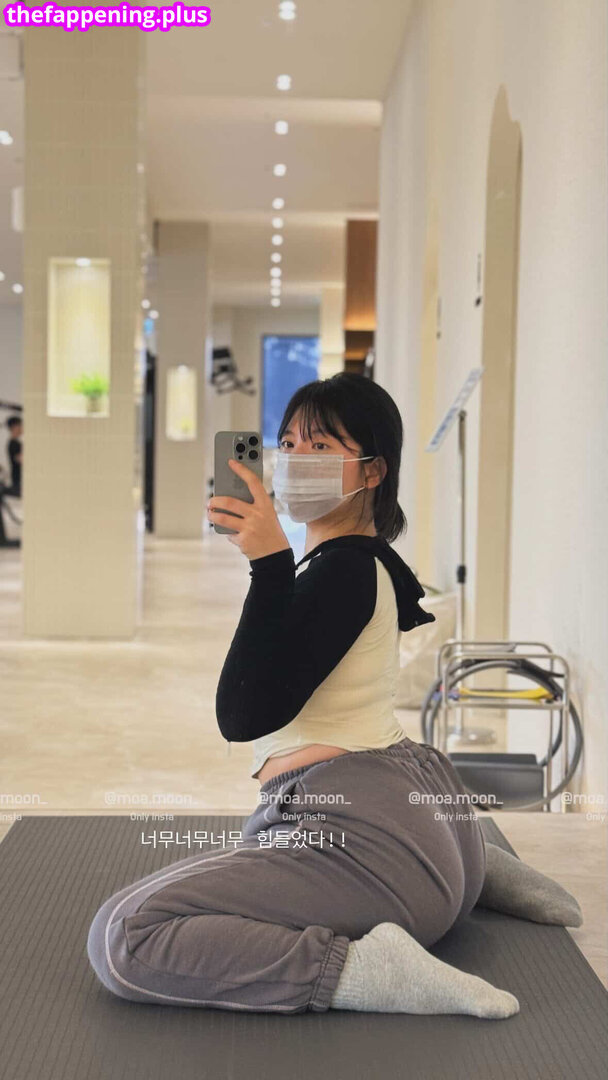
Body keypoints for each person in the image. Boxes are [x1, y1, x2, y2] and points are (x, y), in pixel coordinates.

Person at [87, 374, 582, 1017]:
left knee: (126, 937)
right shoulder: (356, 559)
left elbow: (241, 715)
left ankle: (365, 967)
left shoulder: (343, 569)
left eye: (320, 446)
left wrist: (267, 565)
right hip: (417, 821)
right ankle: (471, 867)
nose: (295, 459)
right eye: (289, 442)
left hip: (369, 841)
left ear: (373, 470)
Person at [4, 415, 22, 498]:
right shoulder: (14, 444)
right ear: (14, 427)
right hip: (18, 479)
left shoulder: (15, 443)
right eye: (20, 425)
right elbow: (20, 459)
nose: (22, 428)